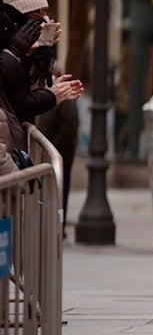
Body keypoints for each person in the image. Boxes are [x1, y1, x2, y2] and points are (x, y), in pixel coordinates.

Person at [35, 62, 80, 238]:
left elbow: (70, 126)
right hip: (50, 152)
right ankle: (51, 224)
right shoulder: (47, 96)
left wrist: (52, 145)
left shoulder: (64, 99)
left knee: (61, 190)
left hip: (60, 154)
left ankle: (58, 225)